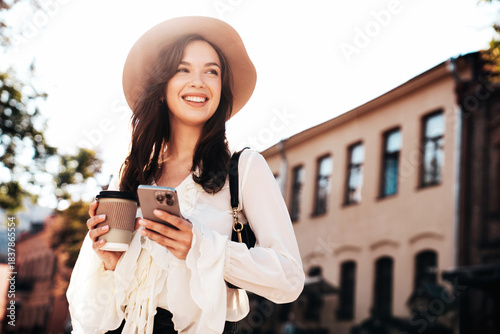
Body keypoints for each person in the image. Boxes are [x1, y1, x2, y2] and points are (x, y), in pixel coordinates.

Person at [67, 16, 305, 334]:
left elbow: (289, 278)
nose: (198, 81)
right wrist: (110, 261)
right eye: (183, 69)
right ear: (163, 87)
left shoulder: (244, 167)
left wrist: (199, 245)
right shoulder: (131, 171)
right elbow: (95, 309)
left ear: (222, 90)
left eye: (212, 71)